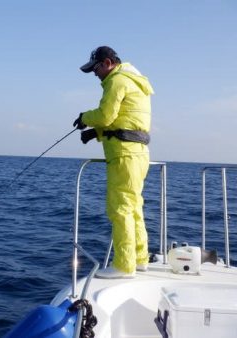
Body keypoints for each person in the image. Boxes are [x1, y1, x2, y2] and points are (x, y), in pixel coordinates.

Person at [73, 46, 154, 278]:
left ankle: (124, 266)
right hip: (136, 153)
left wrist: (84, 118)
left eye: (96, 68)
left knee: (120, 209)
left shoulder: (117, 80)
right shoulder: (134, 80)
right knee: (134, 208)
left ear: (108, 62)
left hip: (124, 155)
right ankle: (139, 260)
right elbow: (125, 121)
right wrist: (95, 134)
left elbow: (106, 115)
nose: (95, 74)